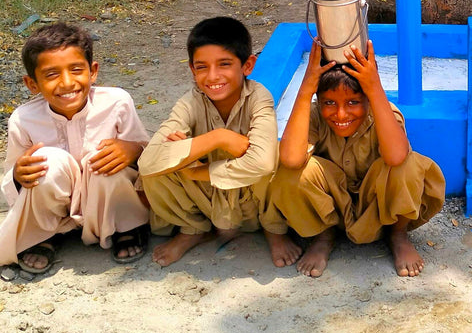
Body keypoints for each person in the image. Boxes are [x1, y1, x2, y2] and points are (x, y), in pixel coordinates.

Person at [261, 40, 445, 278]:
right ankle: (323, 236)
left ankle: (398, 235)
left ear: (368, 98)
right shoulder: (314, 116)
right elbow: (291, 159)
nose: (340, 114)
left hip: (378, 210)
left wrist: (374, 88)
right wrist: (306, 89)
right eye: (329, 102)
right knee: (289, 170)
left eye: (353, 102)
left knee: (407, 165)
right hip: (333, 210)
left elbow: (397, 156)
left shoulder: (383, 111)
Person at [0, 23, 150, 276]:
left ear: (93, 71)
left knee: (103, 160)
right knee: (46, 161)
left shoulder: (117, 103)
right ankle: (47, 233)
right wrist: (18, 174)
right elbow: (11, 180)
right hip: (56, 206)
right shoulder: (22, 120)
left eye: (76, 70)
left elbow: (148, 154)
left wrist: (133, 150)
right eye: (51, 74)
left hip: (107, 202)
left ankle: (125, 227)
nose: (67, 83)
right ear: (32, 83)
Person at [138, 17, 277, 267]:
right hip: (205, 200)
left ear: (248, 65)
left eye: (224, 64)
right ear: (192, 69)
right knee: (153, 172)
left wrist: (196, 170)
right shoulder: (190, 103)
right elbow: (148, 163)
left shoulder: (259, 98)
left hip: (249, 200)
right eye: (202, 67)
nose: (212, 77)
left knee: (276, 160)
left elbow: (263, 163)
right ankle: (194, 230)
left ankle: (274, 231)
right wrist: (218, 138)